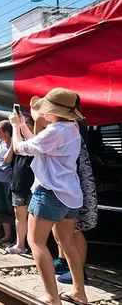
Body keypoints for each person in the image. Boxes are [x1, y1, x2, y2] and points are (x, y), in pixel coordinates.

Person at [10, 88, 87, 305]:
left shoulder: (54, 131)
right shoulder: (72, 127)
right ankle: (79, 292)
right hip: (70, 193)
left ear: (52, 111)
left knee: (36, 242)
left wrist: (16, 127)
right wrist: (25, 125)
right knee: (67, 242)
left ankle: (52, 297)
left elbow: (21, 148)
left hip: (50, 192)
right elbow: (41, 144)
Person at [54, 118, 97, 286]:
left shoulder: (74, 124)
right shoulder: (69, 124)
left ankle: (78, 270)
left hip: (75, 180)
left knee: (74, 229)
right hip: (69, 181)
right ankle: (65, 262)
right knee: (60, 227)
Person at [4, 116, 35, 254]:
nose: (24, 131)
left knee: (35, 218)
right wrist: (14, 142)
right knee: (19, 216)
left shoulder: (37, 143)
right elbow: (7, 159)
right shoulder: (18, 143)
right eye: (23, 128)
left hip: (33, 185)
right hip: (18, 183)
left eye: (27, 128)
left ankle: (35, 246)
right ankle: (20, 245)